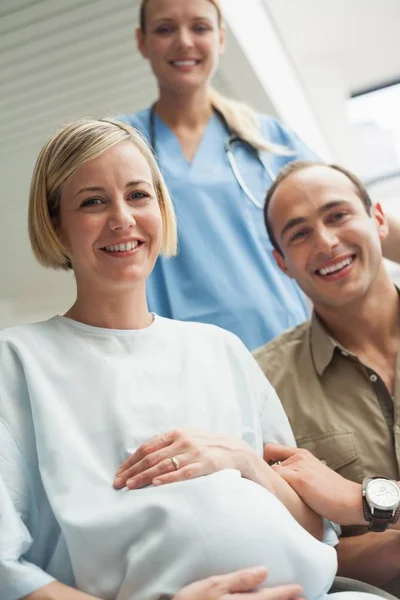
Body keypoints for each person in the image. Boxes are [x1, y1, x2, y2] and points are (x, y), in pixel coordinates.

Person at [0, 116, 358, 600]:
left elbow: (316, 530)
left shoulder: (221, 349)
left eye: (138, 195)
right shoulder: (17, 361)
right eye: (92, 201)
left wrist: (245, 463)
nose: (122, 218)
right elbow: (7, 570)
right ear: (56, 225)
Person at [118, 0, 400, 351]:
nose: (184, 41)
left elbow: (352, 216)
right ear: (141, 41)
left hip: (289, 348)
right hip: (186, 358)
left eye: (200, 28)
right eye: (164, 29)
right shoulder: (124, 146)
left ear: (221, 39)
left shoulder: (269, 139)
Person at [254, 160, 400, 594]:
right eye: (299, 233)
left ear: (377, 220)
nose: (326, 242)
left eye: (337, 216)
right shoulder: (262, 383)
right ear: (282, 263)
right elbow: (281, 555)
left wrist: (362, 503)